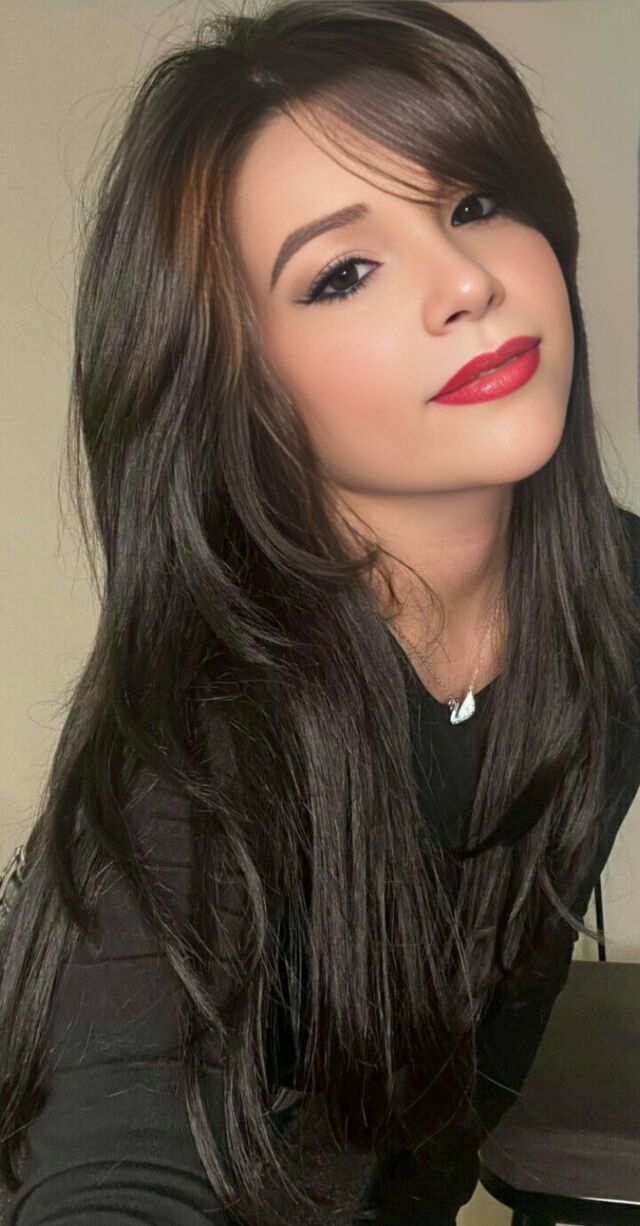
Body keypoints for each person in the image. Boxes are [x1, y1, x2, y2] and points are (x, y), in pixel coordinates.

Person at [1, 0, 639, 1223]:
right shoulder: (192, 755)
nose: (466, 283)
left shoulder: (610, 596)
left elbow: (494, 1022)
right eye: (343, 272)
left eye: (473, 203)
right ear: (236, 382)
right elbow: (107, 1173)